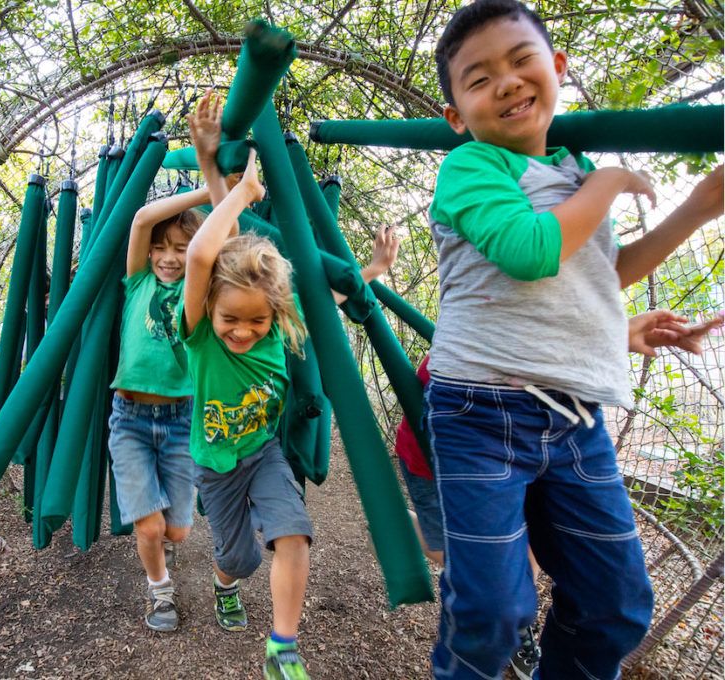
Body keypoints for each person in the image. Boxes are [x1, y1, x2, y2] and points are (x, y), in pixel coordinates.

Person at [426, 1, 724, 677]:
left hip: (573, 418)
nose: (505, 82)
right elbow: (531, 252)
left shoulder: (572, 171)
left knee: (616, 603)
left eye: (521, 60)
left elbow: (603, 274)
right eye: (478, 78)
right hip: (479, 412)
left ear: (558, 67)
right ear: (456, 116)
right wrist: (611, 183)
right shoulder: (472, 167)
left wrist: (701, 204)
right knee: (495, 611)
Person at [395, 313, 722, 680]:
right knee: (467, 564)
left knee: (524, 567)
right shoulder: (473, 343)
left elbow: (555, 338)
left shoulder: (548, 336)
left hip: (527, 454)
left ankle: (521, 634)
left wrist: (617, 332)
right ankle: (399, 526)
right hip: (432, 460)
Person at [180, 149, 314, 680]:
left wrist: (370, 272)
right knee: (240, 560)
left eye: (256, 320)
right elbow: (201, 258)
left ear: (274, 313)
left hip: (262, 452)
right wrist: (241, 190)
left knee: (294, 532)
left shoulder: (277, 332)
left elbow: (328, 300)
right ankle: (225, 584)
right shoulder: (200, 338)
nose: (241, 330)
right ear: (209, 308)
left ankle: (283, 648)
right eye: (230, 318)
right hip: (215, 464)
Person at [107, 90, 232, 633]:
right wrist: (198, 194)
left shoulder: (201, 293)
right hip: (130, 419)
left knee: (178, 532)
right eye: (164, 247)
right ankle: (160, 594)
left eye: (181, 249)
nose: (168, 256)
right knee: (149, 526)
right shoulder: (136, 282)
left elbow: (221, 236)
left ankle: (166, 549)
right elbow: (138, 222)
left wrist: (213, 200)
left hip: (182, 423)